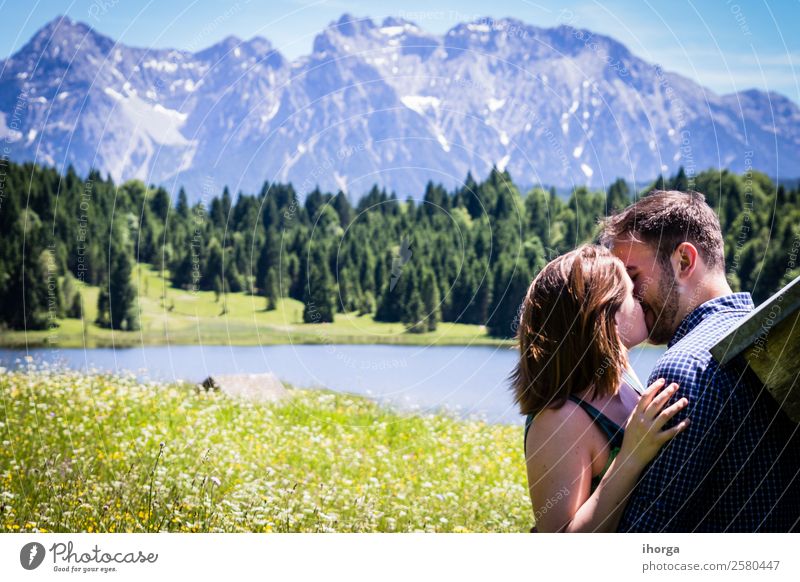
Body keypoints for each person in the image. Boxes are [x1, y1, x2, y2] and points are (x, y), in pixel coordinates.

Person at [600, 189, 800, 532]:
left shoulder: (686, 367)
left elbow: (647, 538)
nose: (625, 297)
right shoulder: (777, 339)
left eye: (632, 277)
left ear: (683, 262)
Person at [510, 244, 690, 532]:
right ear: (606, 314)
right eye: (632, 292)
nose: (641, 298)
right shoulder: (559, 420)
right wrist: (630, 456)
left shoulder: (624, 375)